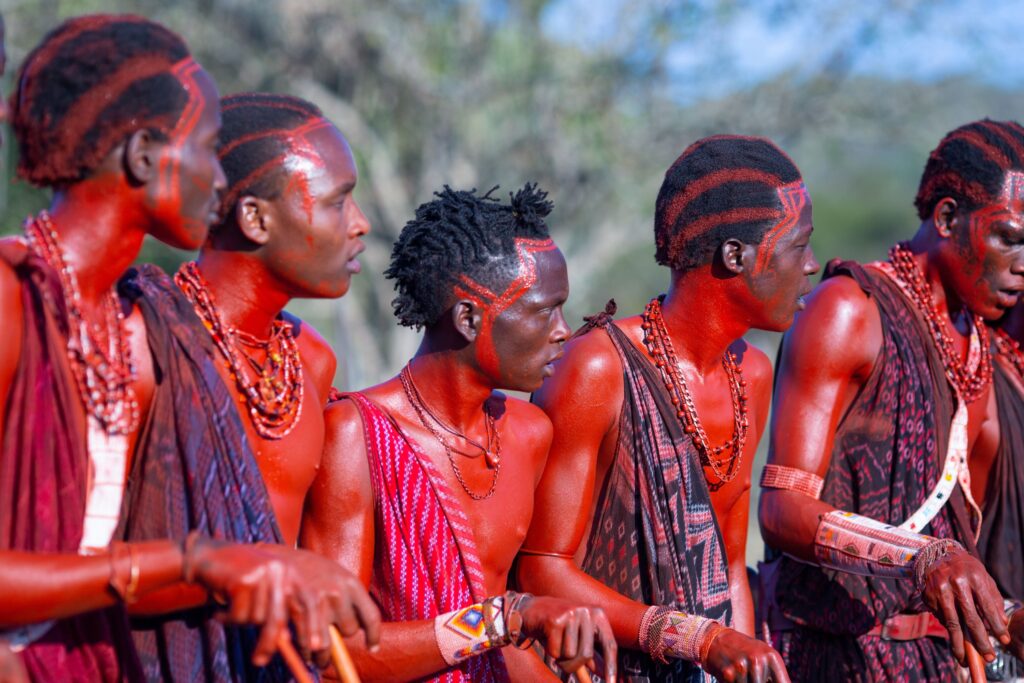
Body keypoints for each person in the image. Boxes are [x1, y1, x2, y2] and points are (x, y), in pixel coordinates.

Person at [0, 14, 378, 681]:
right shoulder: (16, 299)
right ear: (144, 155)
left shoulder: (127, 328)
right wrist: (199, 562)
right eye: (206, 148)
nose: (220, 179)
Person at [519, 135, 811, 683]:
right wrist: (696, 638)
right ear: (735, 256)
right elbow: (542, 569)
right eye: (798, 247)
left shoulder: (752, 372)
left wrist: (742, 655)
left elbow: (727, 567)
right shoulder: (598, 367)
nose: (812, 265)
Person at [302, 185, 618, 682]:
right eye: (542, 310)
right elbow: (338, 651)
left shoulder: (529, 433)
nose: (562, 330)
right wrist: (502, 620)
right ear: (469, 318)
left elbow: (503, 640)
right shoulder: (357, 436)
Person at [758, 119, 1024, 682]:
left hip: (932, 664)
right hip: (825, 655)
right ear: (948, 219)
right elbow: (782, 509)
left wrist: (1003, 617)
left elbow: (960, 551)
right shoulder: (850, 311)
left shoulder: (980, 347)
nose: (1023, 262)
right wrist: (920, 557)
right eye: (1011, 238)